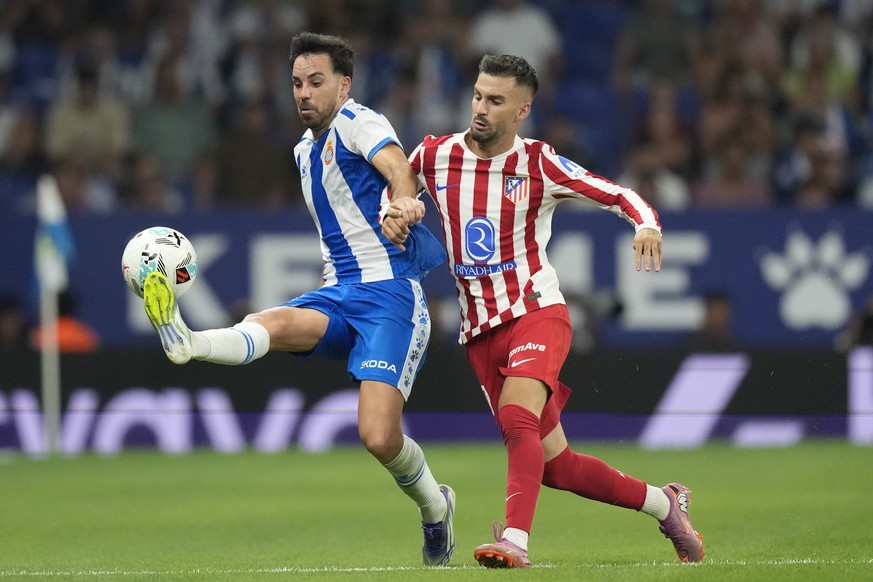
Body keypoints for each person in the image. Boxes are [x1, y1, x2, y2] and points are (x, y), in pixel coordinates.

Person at [141, 32, 455, 567]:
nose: (303, 93)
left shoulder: (361, 122)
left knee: (378, 437)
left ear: (343, 84)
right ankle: (188, 340)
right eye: (296, 83)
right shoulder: (303, 151)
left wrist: (405, 203)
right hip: (338, 292)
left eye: (316, 82)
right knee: (275, 321)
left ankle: (435, 507)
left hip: (391, 298)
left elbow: (399, 166)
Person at [382, 54, 704, 568]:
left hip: (536, 312)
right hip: (479, 332)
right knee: (558, 467)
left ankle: (515, 539)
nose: (481, 109)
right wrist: (395, 214)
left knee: (516, 416)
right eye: (478, 96)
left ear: (522, 110)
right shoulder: (434, 154)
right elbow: (396, 194)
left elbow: (616, 193)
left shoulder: (539, 163)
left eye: (496, 101)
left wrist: (647, 224)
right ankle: (666, 504)